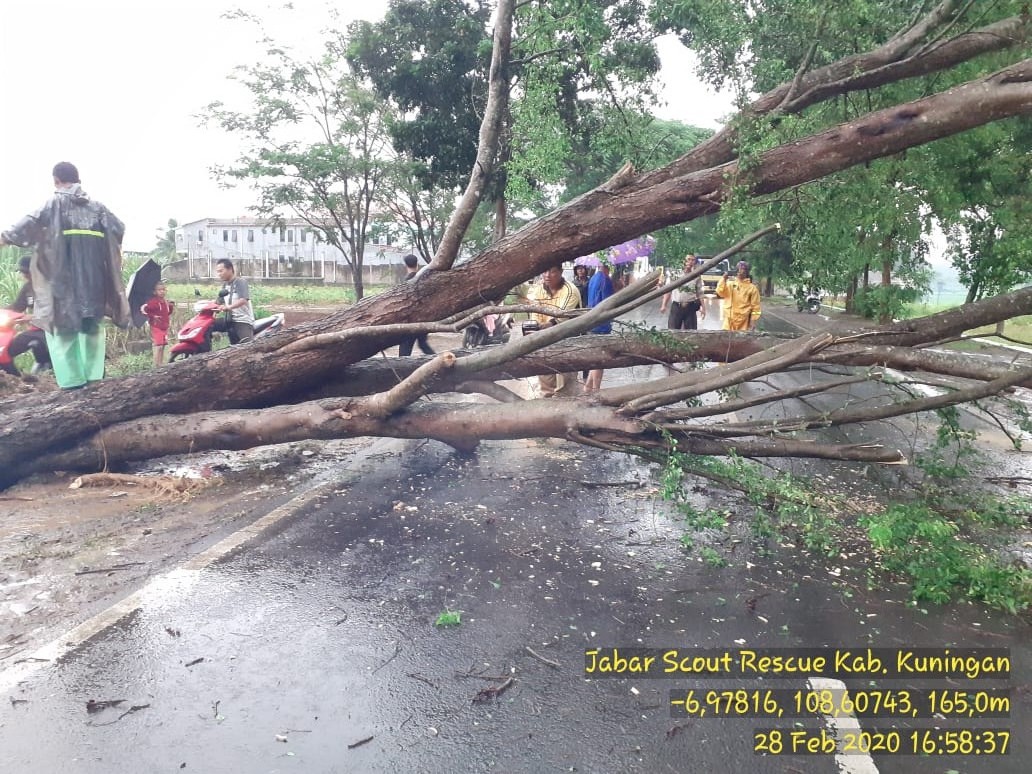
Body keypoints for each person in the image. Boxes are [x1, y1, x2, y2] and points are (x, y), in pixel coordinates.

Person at [0, 162, 129, 389]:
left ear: (56, 180)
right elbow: (118, 227)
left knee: (63, 333)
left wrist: (4, 238)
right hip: (94, 286)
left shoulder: (53, 205)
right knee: (92, 330)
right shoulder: (99, 208)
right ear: (78, 179)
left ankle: (72, 385)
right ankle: (94, 380)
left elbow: (23, 226)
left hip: (63, 287)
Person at [526, 264, 581, 397]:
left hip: (567, 343)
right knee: (545, 386)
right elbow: (535, 314)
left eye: (552, 271)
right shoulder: (538, 290)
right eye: (544, 271)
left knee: (566, 389)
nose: (547, 275)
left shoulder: (570, 290)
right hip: (545, 342)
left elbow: (559, 317)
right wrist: (534, 328)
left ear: (561, 272)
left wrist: (542, 327)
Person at [4, 255, 52, 373]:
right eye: (22, 272)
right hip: (35, 330)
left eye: (27, 271)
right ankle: (13, 376)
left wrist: (32, 317)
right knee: (9, 348)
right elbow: (17, 307)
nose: (25, 275)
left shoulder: (50, 285)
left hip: (51, 330)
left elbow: (55, 310)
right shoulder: (28, 288)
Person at [584, 262, 614, 393]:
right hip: (601, 324)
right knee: (599, 360)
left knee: (594, 358)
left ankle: (588, 387)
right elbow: (610, 303)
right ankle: (596, 390)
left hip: (592, 321)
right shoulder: (605, 280)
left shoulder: (593, 278)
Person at [397, 254, 435, 357]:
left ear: (406, 265)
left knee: (405, 347)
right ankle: (436, 360)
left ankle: (402, 368)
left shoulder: (405, 282)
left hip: (411, 321)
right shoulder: (423, 279)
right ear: (417, 264)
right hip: (424, 319)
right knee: (423, 344)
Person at [659, 254, 705, 330]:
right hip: (676, 306)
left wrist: (703, 308)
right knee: (673, 331)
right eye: (688, 259)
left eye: (692, 260)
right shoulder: (675, 274)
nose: (690, 262)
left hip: (690, 307)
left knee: (691, 332)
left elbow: (700, 293)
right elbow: (668, 290)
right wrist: (664, 305)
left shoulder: (696, 276)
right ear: (684, 261)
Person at [214, 258, 254, 344]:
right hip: (229, 320)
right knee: (209, 325)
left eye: (221, 271)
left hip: (242, 321)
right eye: (218, 272)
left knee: (247, 348)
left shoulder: (240, 282)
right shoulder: (225, 286)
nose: (219, 274)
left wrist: (229, 307)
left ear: (230, 269)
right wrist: (209, 309)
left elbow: (243, 300)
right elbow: (218, 302)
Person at [715, 260, 762, 331]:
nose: (740, 271)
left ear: (747, 272)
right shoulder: (730, 284)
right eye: (739, 269)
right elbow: (720, 292)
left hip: (743, 322)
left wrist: (753, 322)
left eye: (743, 269)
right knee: (725, 341)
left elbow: (756, 308)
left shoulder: (752, 288)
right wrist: (723, 279)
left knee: (741, 341)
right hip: (729, 321)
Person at [140, 282, 175, 366]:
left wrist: (171, 306)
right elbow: (143, 310)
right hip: (156, 326)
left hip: (164, 326)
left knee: (163, 345)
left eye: (163, 289)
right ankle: (157, 364)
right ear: (154, 292)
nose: (162, 292)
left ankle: (161, 363)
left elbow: (168, 313)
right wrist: (153, 316)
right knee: (158, 346)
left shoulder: (166, 302)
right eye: (159, 290)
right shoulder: (153, 302)